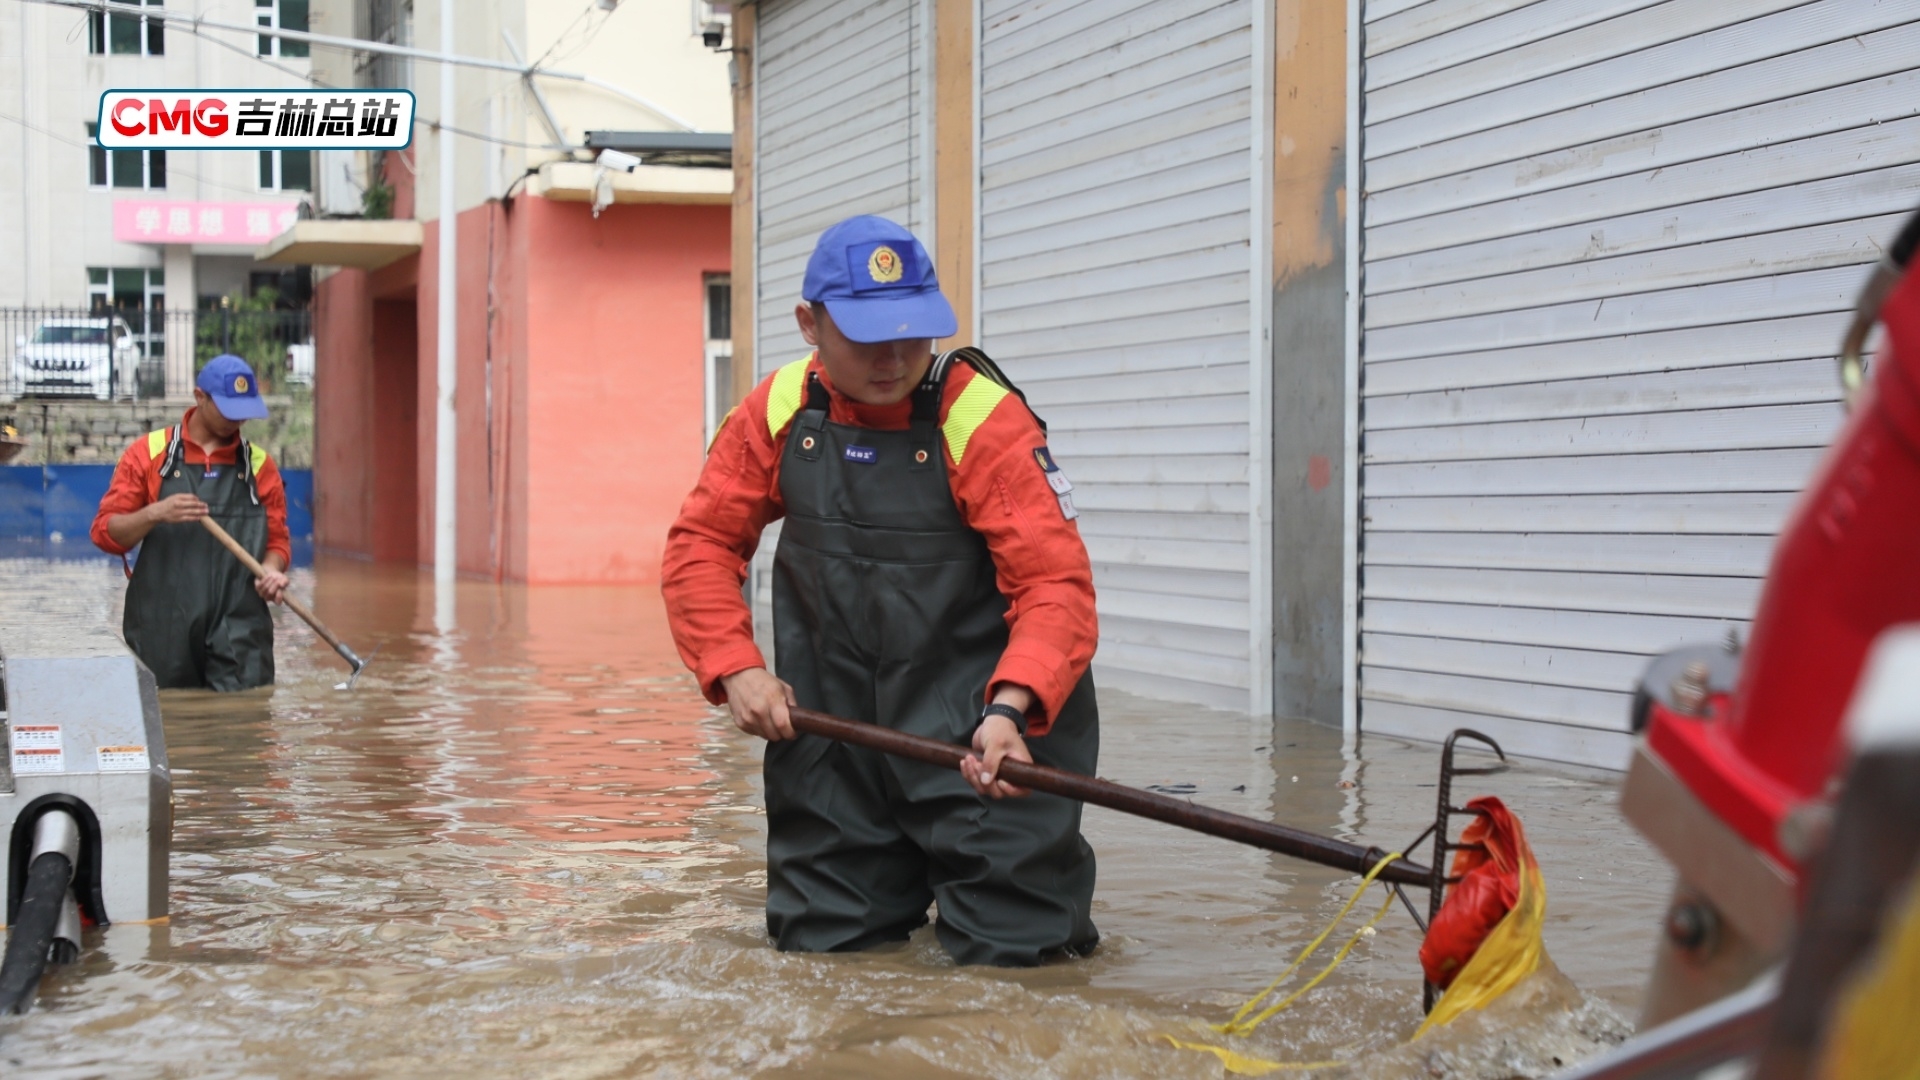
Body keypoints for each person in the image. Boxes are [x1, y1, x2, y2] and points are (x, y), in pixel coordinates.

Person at [662, 215, 1102, 967]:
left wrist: (1010, 709)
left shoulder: (981, 419)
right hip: (834, 744)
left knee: (1018, 974)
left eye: (913, 332)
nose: (896, 357)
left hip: (987, 746)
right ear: (810, 323)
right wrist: (735, 667)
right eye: (869, 336)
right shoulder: (778, 411)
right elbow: (701, 544)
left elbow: (1054, 583)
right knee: (826, 964)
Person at [91, 354, 291, 691]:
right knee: (170, 723)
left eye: (244, 413)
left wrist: (273, 571)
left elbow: (277, 542)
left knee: (247, 726)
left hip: (239, 626)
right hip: (164, 627)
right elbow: (106, 534)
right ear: (200, 398)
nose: (237, 421)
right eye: (229, 410)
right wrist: (155, 513)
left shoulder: (260, 465)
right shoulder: (148, 454)